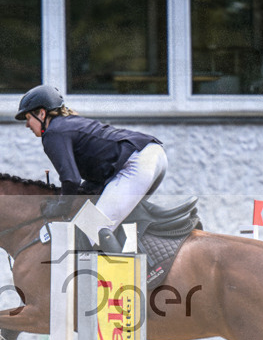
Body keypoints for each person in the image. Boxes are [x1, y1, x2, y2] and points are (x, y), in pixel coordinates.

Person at [15, 84, 167, 251]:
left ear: (42, 114)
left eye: (28, 118)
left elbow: (71, 179)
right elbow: (93, 176)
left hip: (137, 163)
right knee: (111, 223)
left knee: (90, 230)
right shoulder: (68, 124)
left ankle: (123, 276)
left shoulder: (53, 133)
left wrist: (60, 207)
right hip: (153, 154)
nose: (27, 125)